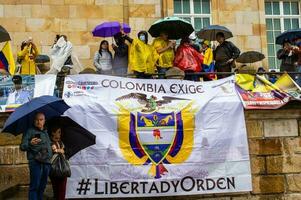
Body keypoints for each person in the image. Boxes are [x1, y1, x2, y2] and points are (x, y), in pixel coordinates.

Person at [20, 112, 52, 200]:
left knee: (42, 186)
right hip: (35, 162)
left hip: (46, 162)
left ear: (44, 121)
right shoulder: (29, 131)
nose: (39, 122)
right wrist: (30, 143)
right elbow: (22, 146)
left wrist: (52, 146)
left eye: (41, 120)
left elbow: (47, 145)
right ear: (34, 121)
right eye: (37, 120)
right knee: (35, 186)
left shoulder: (45, 132)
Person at [49, 125, 67, 200]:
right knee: (56, 188)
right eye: (57, 132)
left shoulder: (62, 143)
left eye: (59, 132)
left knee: (61, 189)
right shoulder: (49, 143)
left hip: (62, 168)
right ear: (52, 133)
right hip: (54, 168)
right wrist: (56, 150)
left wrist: (61, 150)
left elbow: (65, 151)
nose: (58, 134)